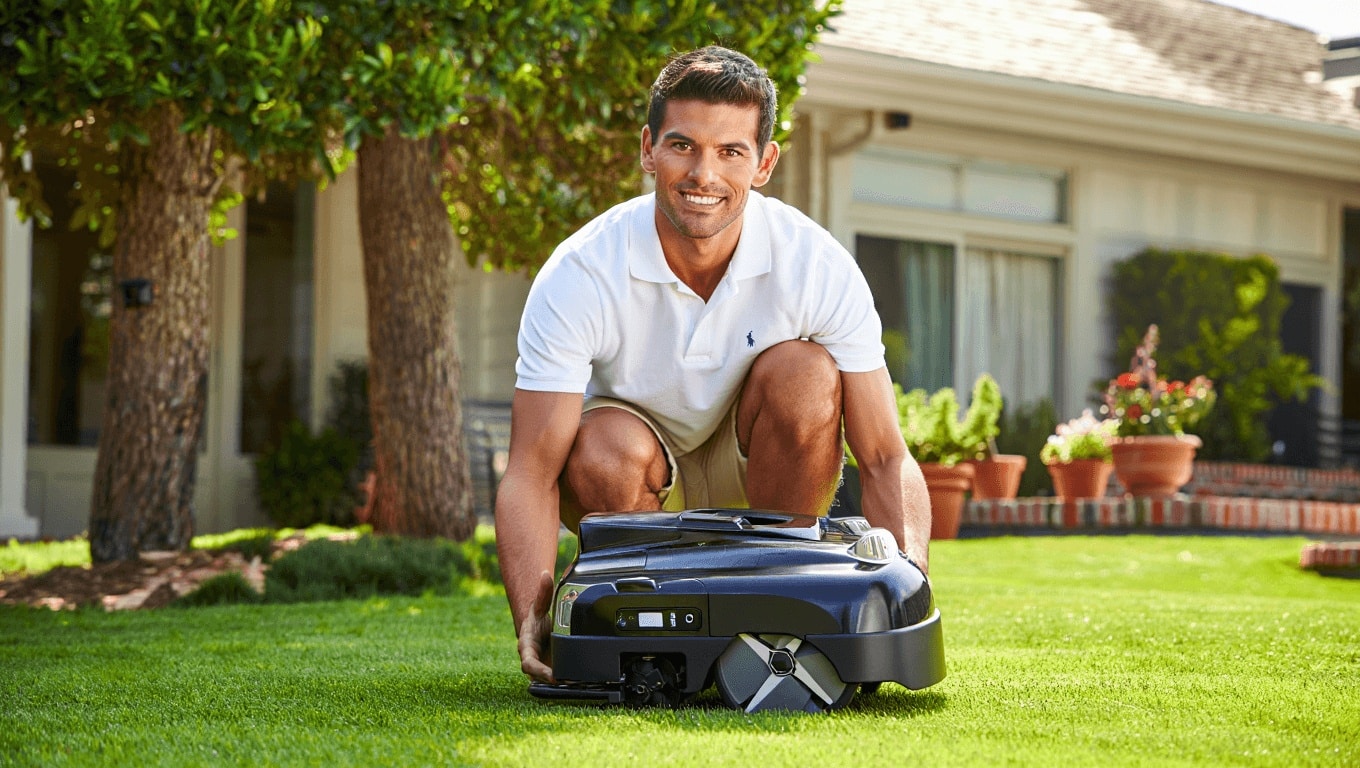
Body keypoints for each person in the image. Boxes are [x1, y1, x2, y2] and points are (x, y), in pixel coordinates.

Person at [494, 46, 931, 683]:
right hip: (640, 467)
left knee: (808, 374)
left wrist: (909, 583)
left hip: (762, 467)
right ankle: (638, 622)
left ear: (764, 164)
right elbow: (531, 471)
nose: (704, 174)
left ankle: (782, 603)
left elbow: (886, 456)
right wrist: (532, 613)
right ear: (648, 149)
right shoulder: (581, 271)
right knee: (598, 447)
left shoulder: (817, 265)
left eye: (731, 151)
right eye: (682, 145)